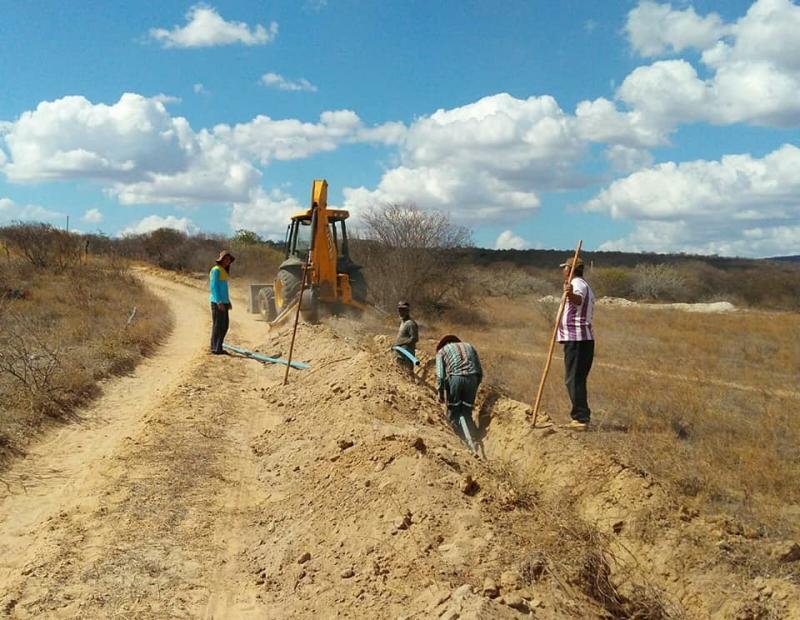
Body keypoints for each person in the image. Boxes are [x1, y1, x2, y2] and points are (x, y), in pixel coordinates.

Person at [557, 256, 595, 430]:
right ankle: (581, 416)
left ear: (570, 269)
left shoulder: (577, 284)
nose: (562, 271)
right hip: (578, 339)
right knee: (576, 379)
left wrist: (569, 293)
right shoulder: (581, 284)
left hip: (577, 339)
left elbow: (578, 299)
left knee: (573, 379)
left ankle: (580, 418)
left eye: (564, 268)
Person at [436, 335, 482, 448]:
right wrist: (475, 385)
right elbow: (479, 371)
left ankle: (457, 442)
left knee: (453, 411)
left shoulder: (441, 352)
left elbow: (440, 375)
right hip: (472, 379)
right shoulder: (470, 346)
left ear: (444, 344)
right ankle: (474, 439)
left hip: (456, 379)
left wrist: (440, 393)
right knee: (467, 411)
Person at [209, 250, 235, 355]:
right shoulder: (216, 270)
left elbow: (224, 288)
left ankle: (218, 347)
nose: (228, 261)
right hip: (217, 302)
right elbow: (214, 287)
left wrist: (227, 301)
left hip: (224, 302)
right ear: (221, 260)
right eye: (226, 259)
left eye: (229, 260)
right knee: (218, 325)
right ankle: (215, 348)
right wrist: (219, 301)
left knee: (224, 325)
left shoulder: (223, 270)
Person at [394, 301, 419, 375]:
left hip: (407, 355)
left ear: (408, 311)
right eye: (399, 310)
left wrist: (400, 344)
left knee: (408, 375)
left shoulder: (410, 323)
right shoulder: (403, 322)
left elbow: (414, 338)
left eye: (403, 310)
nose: (401, 312)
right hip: (400, 355)